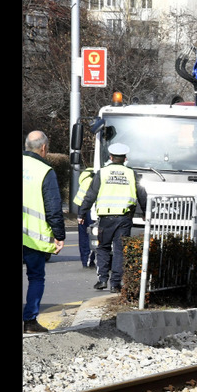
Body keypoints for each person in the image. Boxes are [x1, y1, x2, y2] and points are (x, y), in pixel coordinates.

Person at [77, 143, 147, 294]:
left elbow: (91, 195)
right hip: (124, 218)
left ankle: (102, 279)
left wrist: (81, 213)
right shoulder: (131, 173)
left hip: (106, 218)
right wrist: (146, 212)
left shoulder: (102, 173)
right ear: (125, 159)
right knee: (120, 250)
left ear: (110, 157)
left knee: (103, 248)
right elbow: (142, 194)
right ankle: (115, 284)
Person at [23, 131, 65, 334]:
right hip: (33, 239)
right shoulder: (45, 171)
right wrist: (59, 235)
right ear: (44, 148)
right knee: (36, 278)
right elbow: (53, 207)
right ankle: (30, 321)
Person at [72, 167, 96, 268]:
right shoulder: (97, 177)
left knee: (83, 235)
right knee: (92, 233)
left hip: (81, 206)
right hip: (91, 207)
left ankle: (85, 260)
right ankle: (89, 259)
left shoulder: (86, 174)